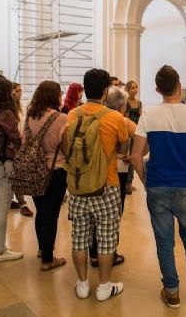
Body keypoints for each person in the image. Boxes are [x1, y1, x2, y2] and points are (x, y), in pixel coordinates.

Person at [130, 65, 186, 308]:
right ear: (179, 85)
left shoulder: (148, 115)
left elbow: (136, 156)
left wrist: (145, 179)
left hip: (157, 184)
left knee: (164, 241)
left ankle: (171, 291)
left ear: (158, 89)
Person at [67, 68, 128, 302]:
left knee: (79, 237)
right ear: (105, 91)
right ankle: (104, 286)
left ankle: (82, 284)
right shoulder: (115, 118)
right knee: (106, 238)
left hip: (78, 184)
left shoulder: (73, 114)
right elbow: (123, 147)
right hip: (107, 184)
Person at [25, 81, 69, 271]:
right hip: (55, 170)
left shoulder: (30, 116)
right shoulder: (61, 118)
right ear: (56, 96)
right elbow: (66, 146)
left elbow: (23, 141)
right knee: (52, 214)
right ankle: (48, 260)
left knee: (41, 212)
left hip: (33, 169)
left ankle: (43, 249)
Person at [0, 77, 24, 263]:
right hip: (5, 163)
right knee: (3, 206)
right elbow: (16, 137)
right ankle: (0, 250)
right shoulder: (5, 113)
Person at [10, 81, 34, 217]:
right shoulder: (8, 109)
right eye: (17, 90)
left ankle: (19, 201)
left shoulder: (21, 107)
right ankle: (23, 203)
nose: (20, 93)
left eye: (20, 90)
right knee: (16, 175)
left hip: (20, 144)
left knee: (17, 174)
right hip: (12, 146)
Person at [124, 80, 142, 194]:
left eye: (136, 87)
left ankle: (130, 182)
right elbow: (125, 117)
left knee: (134, 156)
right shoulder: (126, 102)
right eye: (132, 88)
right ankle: (126, 183)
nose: (135, 90)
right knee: (127, 156)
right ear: (127, 89)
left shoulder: (139, 103)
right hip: (128, 131)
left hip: (137, 131)